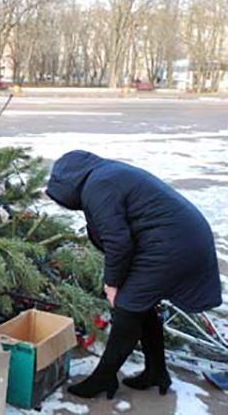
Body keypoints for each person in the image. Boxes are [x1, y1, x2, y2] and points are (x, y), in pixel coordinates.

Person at [46, 150, 221, 400]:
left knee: (127, 308)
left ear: (69, 184)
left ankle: (103, 379)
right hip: (180, 240)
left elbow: (117, 241)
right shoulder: (105, 175)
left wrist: (112, 283)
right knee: (142, 305)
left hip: (170, 246)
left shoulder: (99, 185)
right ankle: (156, 372)